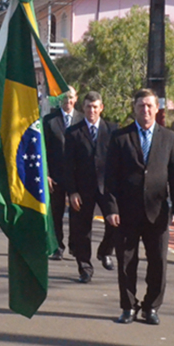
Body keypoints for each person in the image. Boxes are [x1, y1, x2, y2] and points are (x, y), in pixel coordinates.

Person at [104, 89, 174, 326]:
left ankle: (151, 307)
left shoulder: (169, 138)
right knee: (127, 262)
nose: (145, 110)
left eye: (149, 106)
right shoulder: (120, 137)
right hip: (126, 213)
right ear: (135, 109)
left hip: (157, 211)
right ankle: (128, 306)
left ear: (157, 109)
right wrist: (111, 208)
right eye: (141, 106)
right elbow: (110, 178)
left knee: (158, 261)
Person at [63, 91, 117, 283]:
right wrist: (72, 191)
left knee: (115, 223)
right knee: (81, 230)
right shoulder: (73, 133)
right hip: (82, 189)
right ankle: (85, 268)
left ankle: (105, 251)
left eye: (95, 107)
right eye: (88, 107)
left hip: (107, 188)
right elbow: (67, 165)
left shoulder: (112, 131)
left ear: (101, 108)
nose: (91, 110)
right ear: (83, 108)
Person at [41, 86, 82, 261]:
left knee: (77, 212)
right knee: (56, 213)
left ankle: (75, 245)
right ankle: (58, 246)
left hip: (77, 176)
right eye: (64, 98)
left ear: (76, 98)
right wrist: (46, 174)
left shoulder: (82, 119)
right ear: (59, 100)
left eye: (71, 97)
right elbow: (44, 149)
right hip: (56, 175)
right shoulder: (50, 120)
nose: (68, 101)